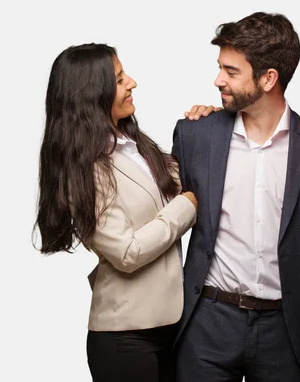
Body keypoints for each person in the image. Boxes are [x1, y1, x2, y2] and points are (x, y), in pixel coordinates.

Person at [171, 12, 300, 382]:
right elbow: (163, 210)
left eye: (232, 72)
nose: (218, 79)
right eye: (221, 67)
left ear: (268, 78)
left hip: (283, 331)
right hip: (207, 323)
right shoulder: (195, 136)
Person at [34, 43, 216, 382]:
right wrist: (186, 208)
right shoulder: (83, 168)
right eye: (119, 79)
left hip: (172, 325)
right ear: (92, 93)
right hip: (125, 339)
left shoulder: (133, 146)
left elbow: (191, 183)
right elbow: (127, 252)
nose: (131, 82)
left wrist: (209, 127)